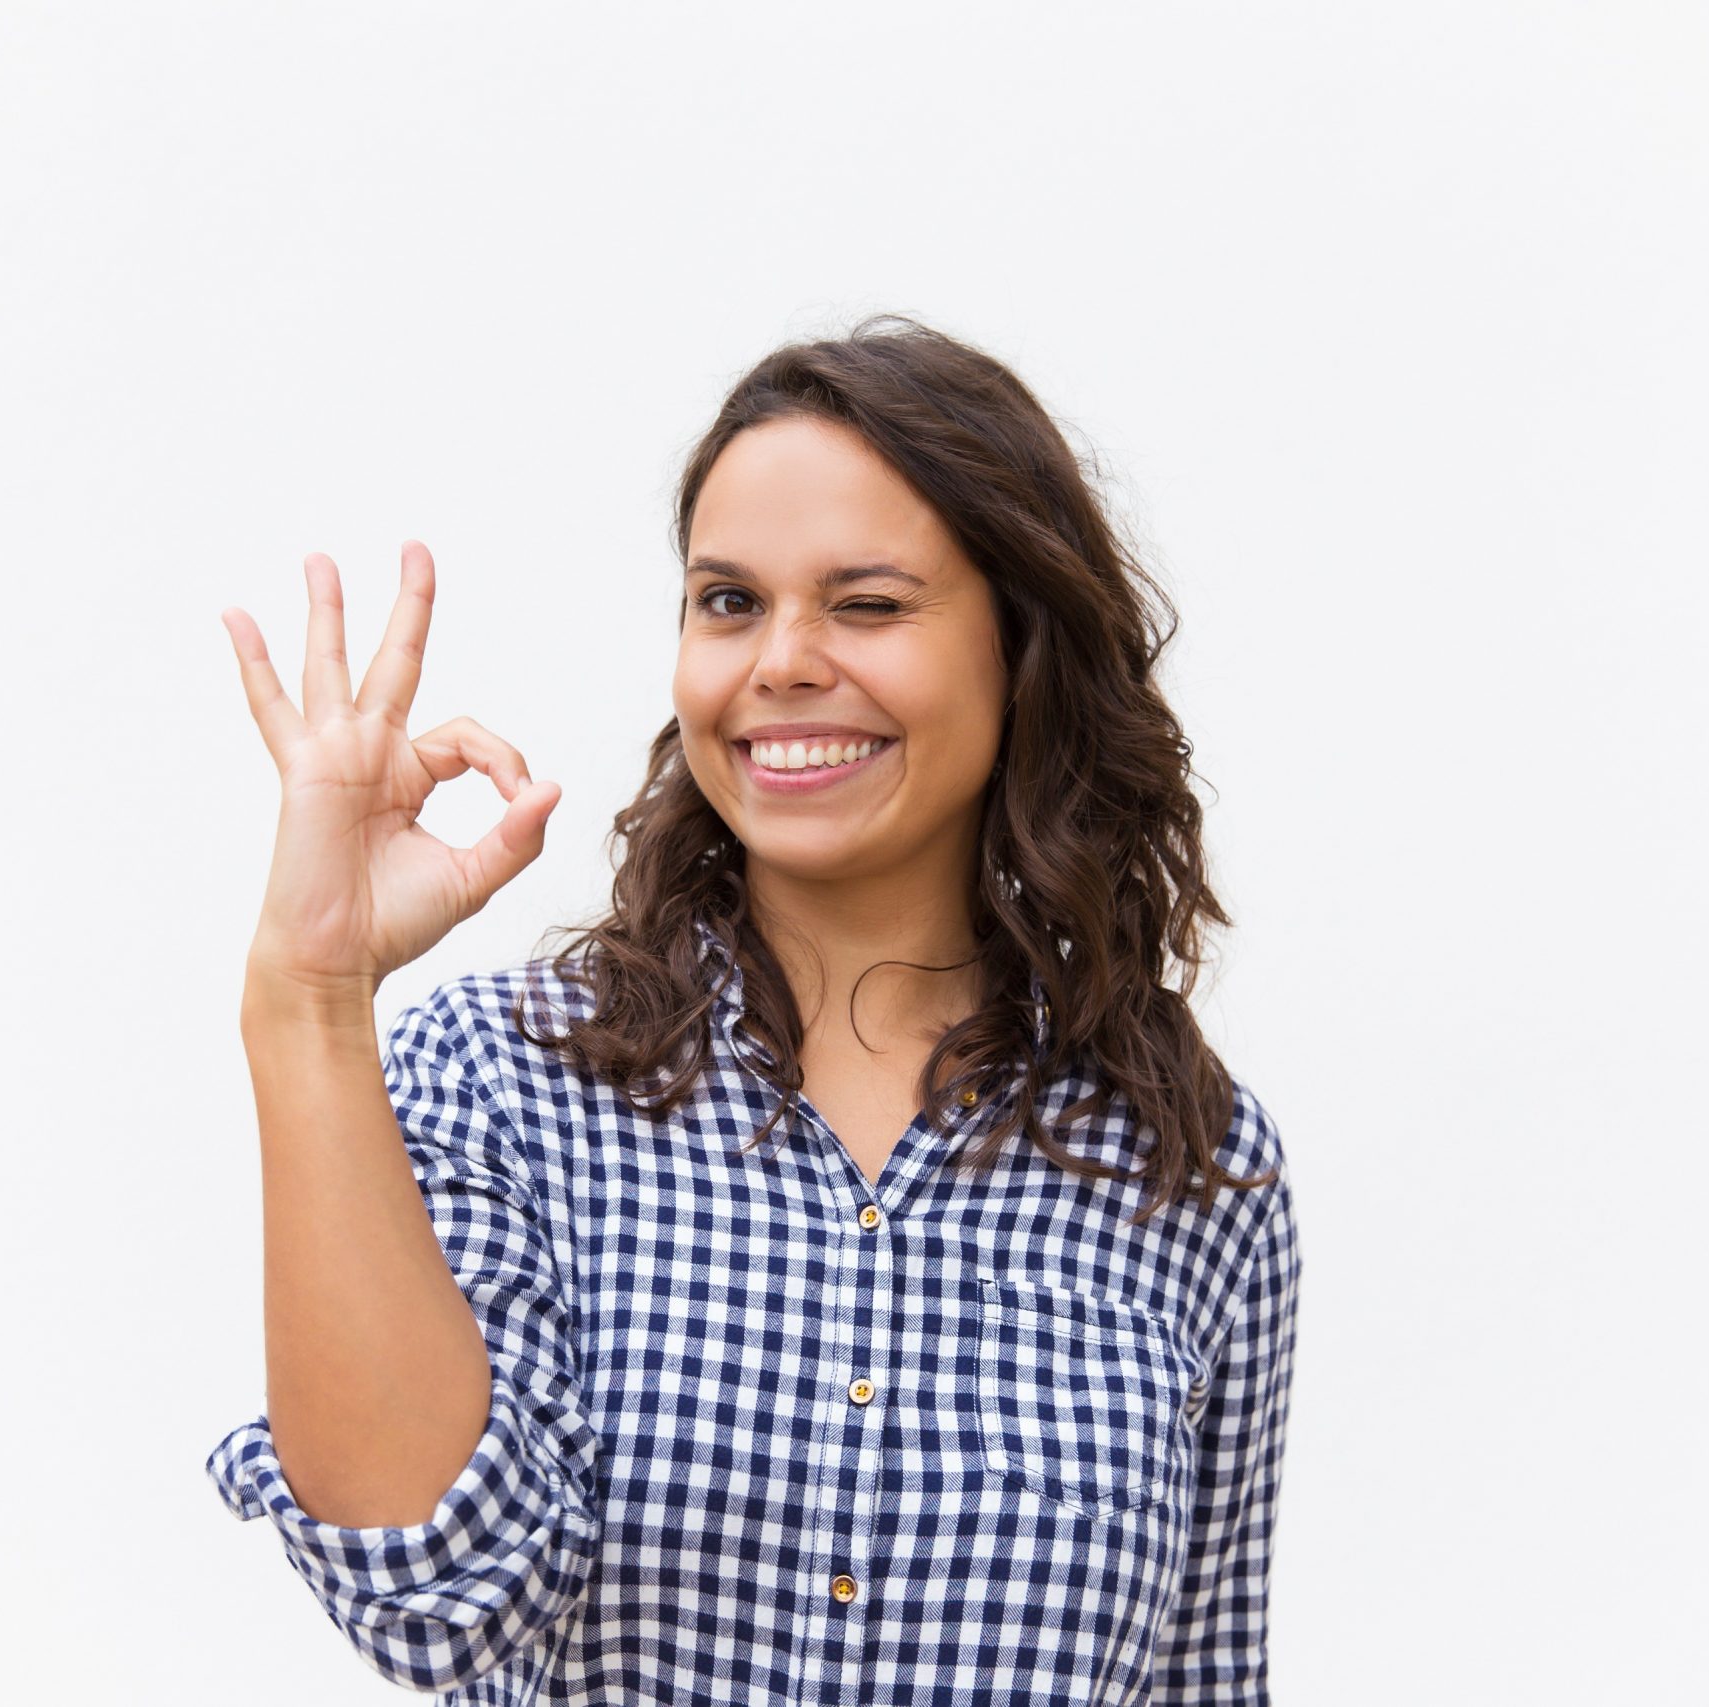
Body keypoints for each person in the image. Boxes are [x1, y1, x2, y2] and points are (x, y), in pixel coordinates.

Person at [203, 314, 1302, 1704]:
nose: (780, 659)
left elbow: (1208, 1682)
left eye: (868, 604)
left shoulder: (1194, 1171)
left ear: (1022, 652)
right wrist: (309, 1000)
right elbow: (438, 1600)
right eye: (729, 601)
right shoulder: (503, 1083)